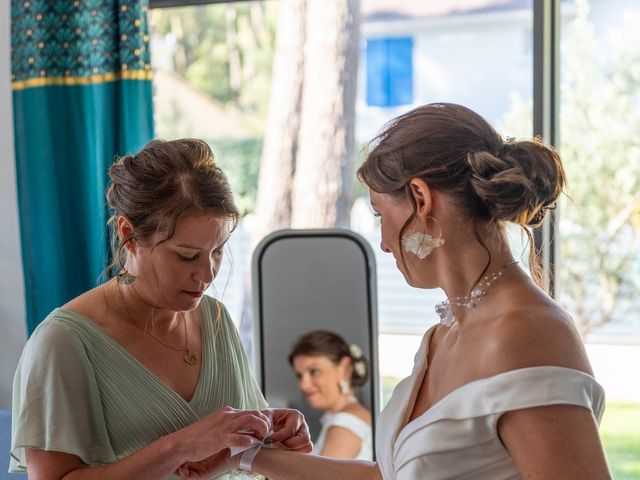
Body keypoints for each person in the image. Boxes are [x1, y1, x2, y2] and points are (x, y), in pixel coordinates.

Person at [188, 102, 613, 479]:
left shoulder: (526, 334)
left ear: (421, 199)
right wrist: (243, 457)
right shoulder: (444, 334)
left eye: (379, 214)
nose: (383, 242)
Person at [10, 139, 311, 479]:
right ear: (129, 235)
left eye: (217, 251)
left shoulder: (214, 319)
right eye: (186, 256)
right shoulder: (63, 343)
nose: (208, 274)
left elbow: (238, 452)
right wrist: (181, 446)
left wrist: (271, 433)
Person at [289, 330, 372, 460]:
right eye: (299, 375)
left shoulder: (345, 424)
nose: (303, 385)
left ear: (345, 368)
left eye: (314, 371)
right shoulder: (343, 418)